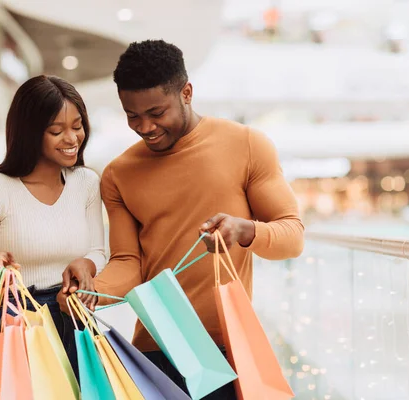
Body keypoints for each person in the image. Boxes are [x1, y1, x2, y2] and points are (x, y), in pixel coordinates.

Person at [60, 39, 305, 399]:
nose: (145, 127)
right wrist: (91, 291)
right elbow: (129, 263)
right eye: (132, 115)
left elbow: (292, 236)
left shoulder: (247, 145)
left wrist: (244, 230)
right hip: (152, 352)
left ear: (186, 92)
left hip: (226, 350)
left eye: (157, 112)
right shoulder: (118, 174)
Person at [0, 75, 106, 378]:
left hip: (75, 320)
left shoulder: (87, 183)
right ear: (29, 133)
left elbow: (99, 252)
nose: (73, 138)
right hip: (16, 326)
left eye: (77, 126)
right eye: (56, 130)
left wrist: (86, 265)